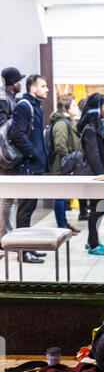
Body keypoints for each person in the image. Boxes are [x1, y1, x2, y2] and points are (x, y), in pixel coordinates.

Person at [9, 74, 50, 264]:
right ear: (33, 89)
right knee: (25, 210)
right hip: (28, 166)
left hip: (35, 166)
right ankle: (23, 251)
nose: (47, 89)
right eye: (43, 86)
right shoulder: (24, 106)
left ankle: (29, 247)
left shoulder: (35, 107)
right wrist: (33, 153)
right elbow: (16, 134)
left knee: (30, 208)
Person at [77, 92, 104, 256]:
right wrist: (103, 179)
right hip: (97, 177)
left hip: (103, 175)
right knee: (97, 209)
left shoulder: (99, 125)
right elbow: (94, 158)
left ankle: (92, 241)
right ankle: (93, 244)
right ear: (96, 108)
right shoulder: (90, 129)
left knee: (98, 208)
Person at [0, 67, 26, 251]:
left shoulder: (9, 99)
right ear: (13, 82)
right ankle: (5, 238)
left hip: (8, 155)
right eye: (19, 80)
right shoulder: (4, 100)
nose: (21, 83)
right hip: (6, 156)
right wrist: (19, 120)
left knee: (7, 198)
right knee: (7, 198)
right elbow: (3, 127)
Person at [50, 96, 81, 235]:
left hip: (66, 164)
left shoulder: (69, 122)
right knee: (59, 195)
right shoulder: (62, 123)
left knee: (62, 195)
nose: (76, 108)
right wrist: (71, 159)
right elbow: (60, 145)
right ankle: (61, 224)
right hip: (61, 165)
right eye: (74, 105)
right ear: (66, 108)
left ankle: (64, 222)